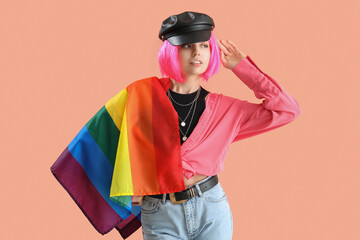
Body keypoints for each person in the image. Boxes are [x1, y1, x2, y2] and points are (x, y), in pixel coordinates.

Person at [131, 11, 301, 240]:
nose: (196, 52)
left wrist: (244, 68)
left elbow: (287, 110)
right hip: (160, 212)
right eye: (187, 45)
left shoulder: (228, 111)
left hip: (210, 208)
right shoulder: (143, 98)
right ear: (171, 51)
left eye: (204, 45)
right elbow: (121, 146)